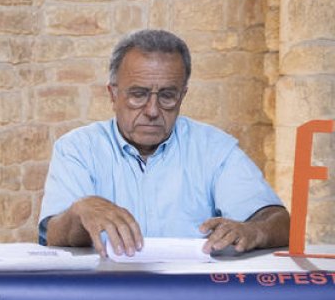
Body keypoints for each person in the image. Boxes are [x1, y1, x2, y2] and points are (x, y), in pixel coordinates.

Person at [39, 28, 289, 257]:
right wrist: (79, 212)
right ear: (113, 94)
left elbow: (279, 221)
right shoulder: (77, 149)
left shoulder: (214, 149)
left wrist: (255, 231)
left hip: (192, 287)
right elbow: (54, 235)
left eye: (167, 96)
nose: (152, 110)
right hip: (105, 287)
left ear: (182, 96)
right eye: (138, 95)